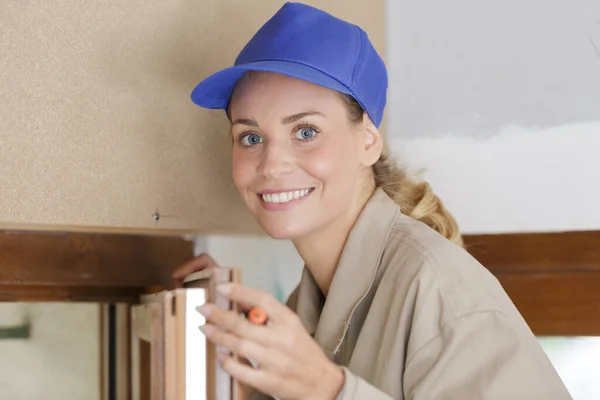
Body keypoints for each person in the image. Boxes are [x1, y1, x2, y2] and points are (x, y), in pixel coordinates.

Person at [173, 2, 572, 399]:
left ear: (367, 141)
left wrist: (331, 390)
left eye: (306, 131)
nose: (272, 165)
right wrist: (245, 353)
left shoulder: (443, 293)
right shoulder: (306, 304)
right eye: (251, 137)